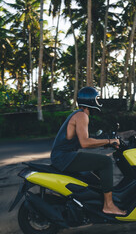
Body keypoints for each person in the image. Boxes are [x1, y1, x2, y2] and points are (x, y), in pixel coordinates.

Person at [50, 87, 126, 216]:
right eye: (96, 98)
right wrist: (108, 141)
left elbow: (83, 141)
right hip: (64, 157)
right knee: (106, 162)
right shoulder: (82, 116)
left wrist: (105, 142)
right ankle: (109, 205)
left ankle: (94, 205)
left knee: (96, 177)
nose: (97, 101)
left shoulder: (78, 114)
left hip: (63, 156)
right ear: (90, 101)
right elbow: (85, 143)